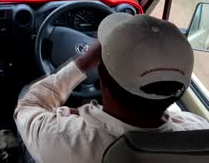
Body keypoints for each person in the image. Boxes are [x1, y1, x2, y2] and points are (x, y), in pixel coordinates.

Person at [14, 13, 209, 163]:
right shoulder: (198, 129)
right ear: (181, 90)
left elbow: (29, 105)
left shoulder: (63, 138)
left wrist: (83, 62)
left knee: (25, 92)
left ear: (102, 77)